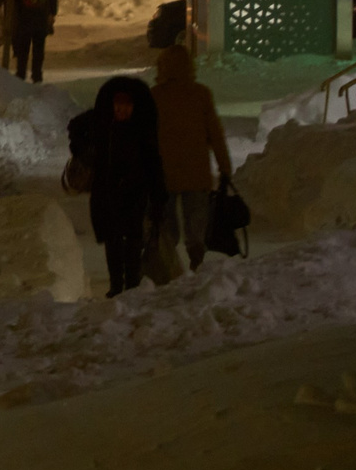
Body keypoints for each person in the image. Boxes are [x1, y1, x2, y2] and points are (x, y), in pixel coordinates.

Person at [70, 74, 166, 297]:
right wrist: (81, 150)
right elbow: (76, 127)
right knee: (112, 239)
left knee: (132, 240)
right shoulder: (103, 125)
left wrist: (158, 195)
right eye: (117, 105)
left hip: (134, 193)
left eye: (126, 106)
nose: (121, 110)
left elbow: (153, 163)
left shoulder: (141, 131)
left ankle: (131, 284)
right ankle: (116, 285)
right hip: (107, 192)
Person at [150, 43, 233, 278]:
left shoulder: (155, 96)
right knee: (196, 221)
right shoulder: (201, 94)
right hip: (196, 172)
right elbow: (215, 134)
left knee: (166, 224)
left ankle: (167, 266)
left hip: (164, 173)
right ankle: (197, 259)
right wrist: (224, 167)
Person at [11, 0, 58, 83]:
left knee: (23, 48)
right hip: (41, 18)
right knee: (39, 48)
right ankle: (37, 75)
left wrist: (16, 13)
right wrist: (52, 13)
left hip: (25, 17)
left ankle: (21, 74)